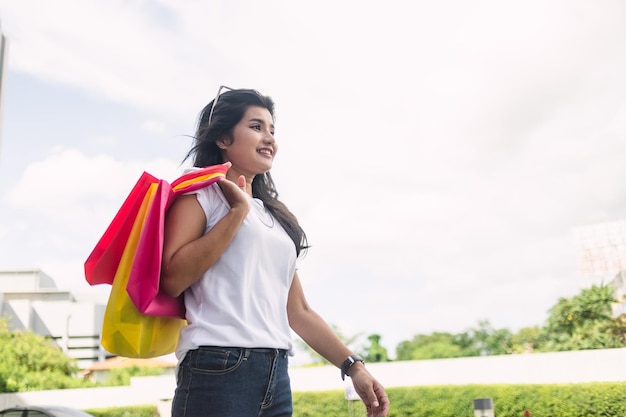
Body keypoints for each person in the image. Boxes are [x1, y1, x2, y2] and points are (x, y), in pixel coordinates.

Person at [160, 86, 390, 417]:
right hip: (218, 366)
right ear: (223, 138)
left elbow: (298, 311)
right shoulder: (199, 193)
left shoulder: (273, 218)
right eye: (256, 127)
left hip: (276, 372)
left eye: (272, 130)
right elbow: (172, 279)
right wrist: (236, 214)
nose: (269, 138)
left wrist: (354, 366)